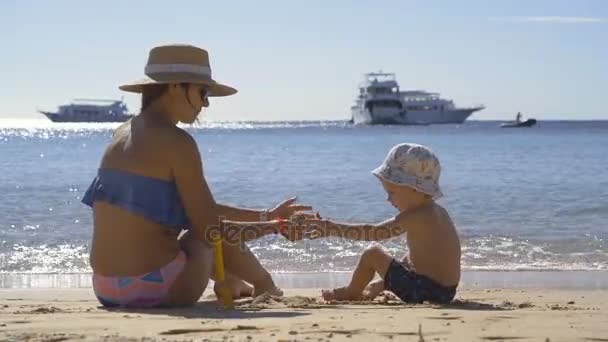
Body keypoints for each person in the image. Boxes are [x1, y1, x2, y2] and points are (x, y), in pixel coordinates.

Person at [82, 44, 310, 308]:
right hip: (157, 289)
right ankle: (266, 286)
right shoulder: (177, 142)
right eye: (202, 92)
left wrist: (267, 215)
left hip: (106, 288)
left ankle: (235, 282)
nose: (206, 103)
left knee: (202, 228)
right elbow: (209, 228)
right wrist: (274, 228)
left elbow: (194, 209)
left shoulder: (123, 133)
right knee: (207, 237)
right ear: (176, 86)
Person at [303, 143, 461, 304]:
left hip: (424, 291)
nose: (388, 199)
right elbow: (424, 258)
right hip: (445, 292)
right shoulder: (438, 212)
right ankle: (378, 286)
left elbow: (374, 232)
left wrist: (331, 227)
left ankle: (351, 291)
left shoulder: (415, 216)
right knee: (408, 258)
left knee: (373, 254)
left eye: (391, 192)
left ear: (414, 188)